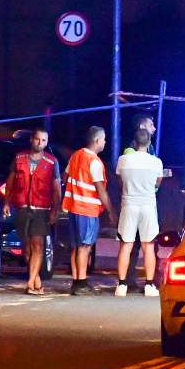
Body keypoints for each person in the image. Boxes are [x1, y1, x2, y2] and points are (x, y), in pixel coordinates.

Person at [62, 125, 116, 295]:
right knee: (85, 246)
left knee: (76, 246)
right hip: (87, 208)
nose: (106, 142)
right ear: (97, 140)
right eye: (104, 139)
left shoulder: (75, 156)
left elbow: (65, 177)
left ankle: (76, 280)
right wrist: (111, 212)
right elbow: (101, 190)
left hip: (72, 207)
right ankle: (81, 282)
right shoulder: (95, 162)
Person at [7, 129, 61, 295]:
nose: (40, 143)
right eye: (38, 139)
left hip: (41, 210)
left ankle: (30, 282)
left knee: (38, 245)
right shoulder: (19, 158)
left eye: (43, 140)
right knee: (27, 247)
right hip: (22, 208)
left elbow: (56, 188)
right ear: (32, 140)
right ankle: (36, 278)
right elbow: (11, 180)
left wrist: (55, 209)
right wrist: (6, 201)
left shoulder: (52, 162)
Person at [114, 126, 164, 296]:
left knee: (125, 245)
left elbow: (120, 180)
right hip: (148, 205)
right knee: (148, 246)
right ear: (149, 143)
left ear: (134, 143)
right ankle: (150, 284)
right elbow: (157, 184)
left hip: (129, 204)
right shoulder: (156, 162)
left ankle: (122, 285)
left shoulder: (123, 160)